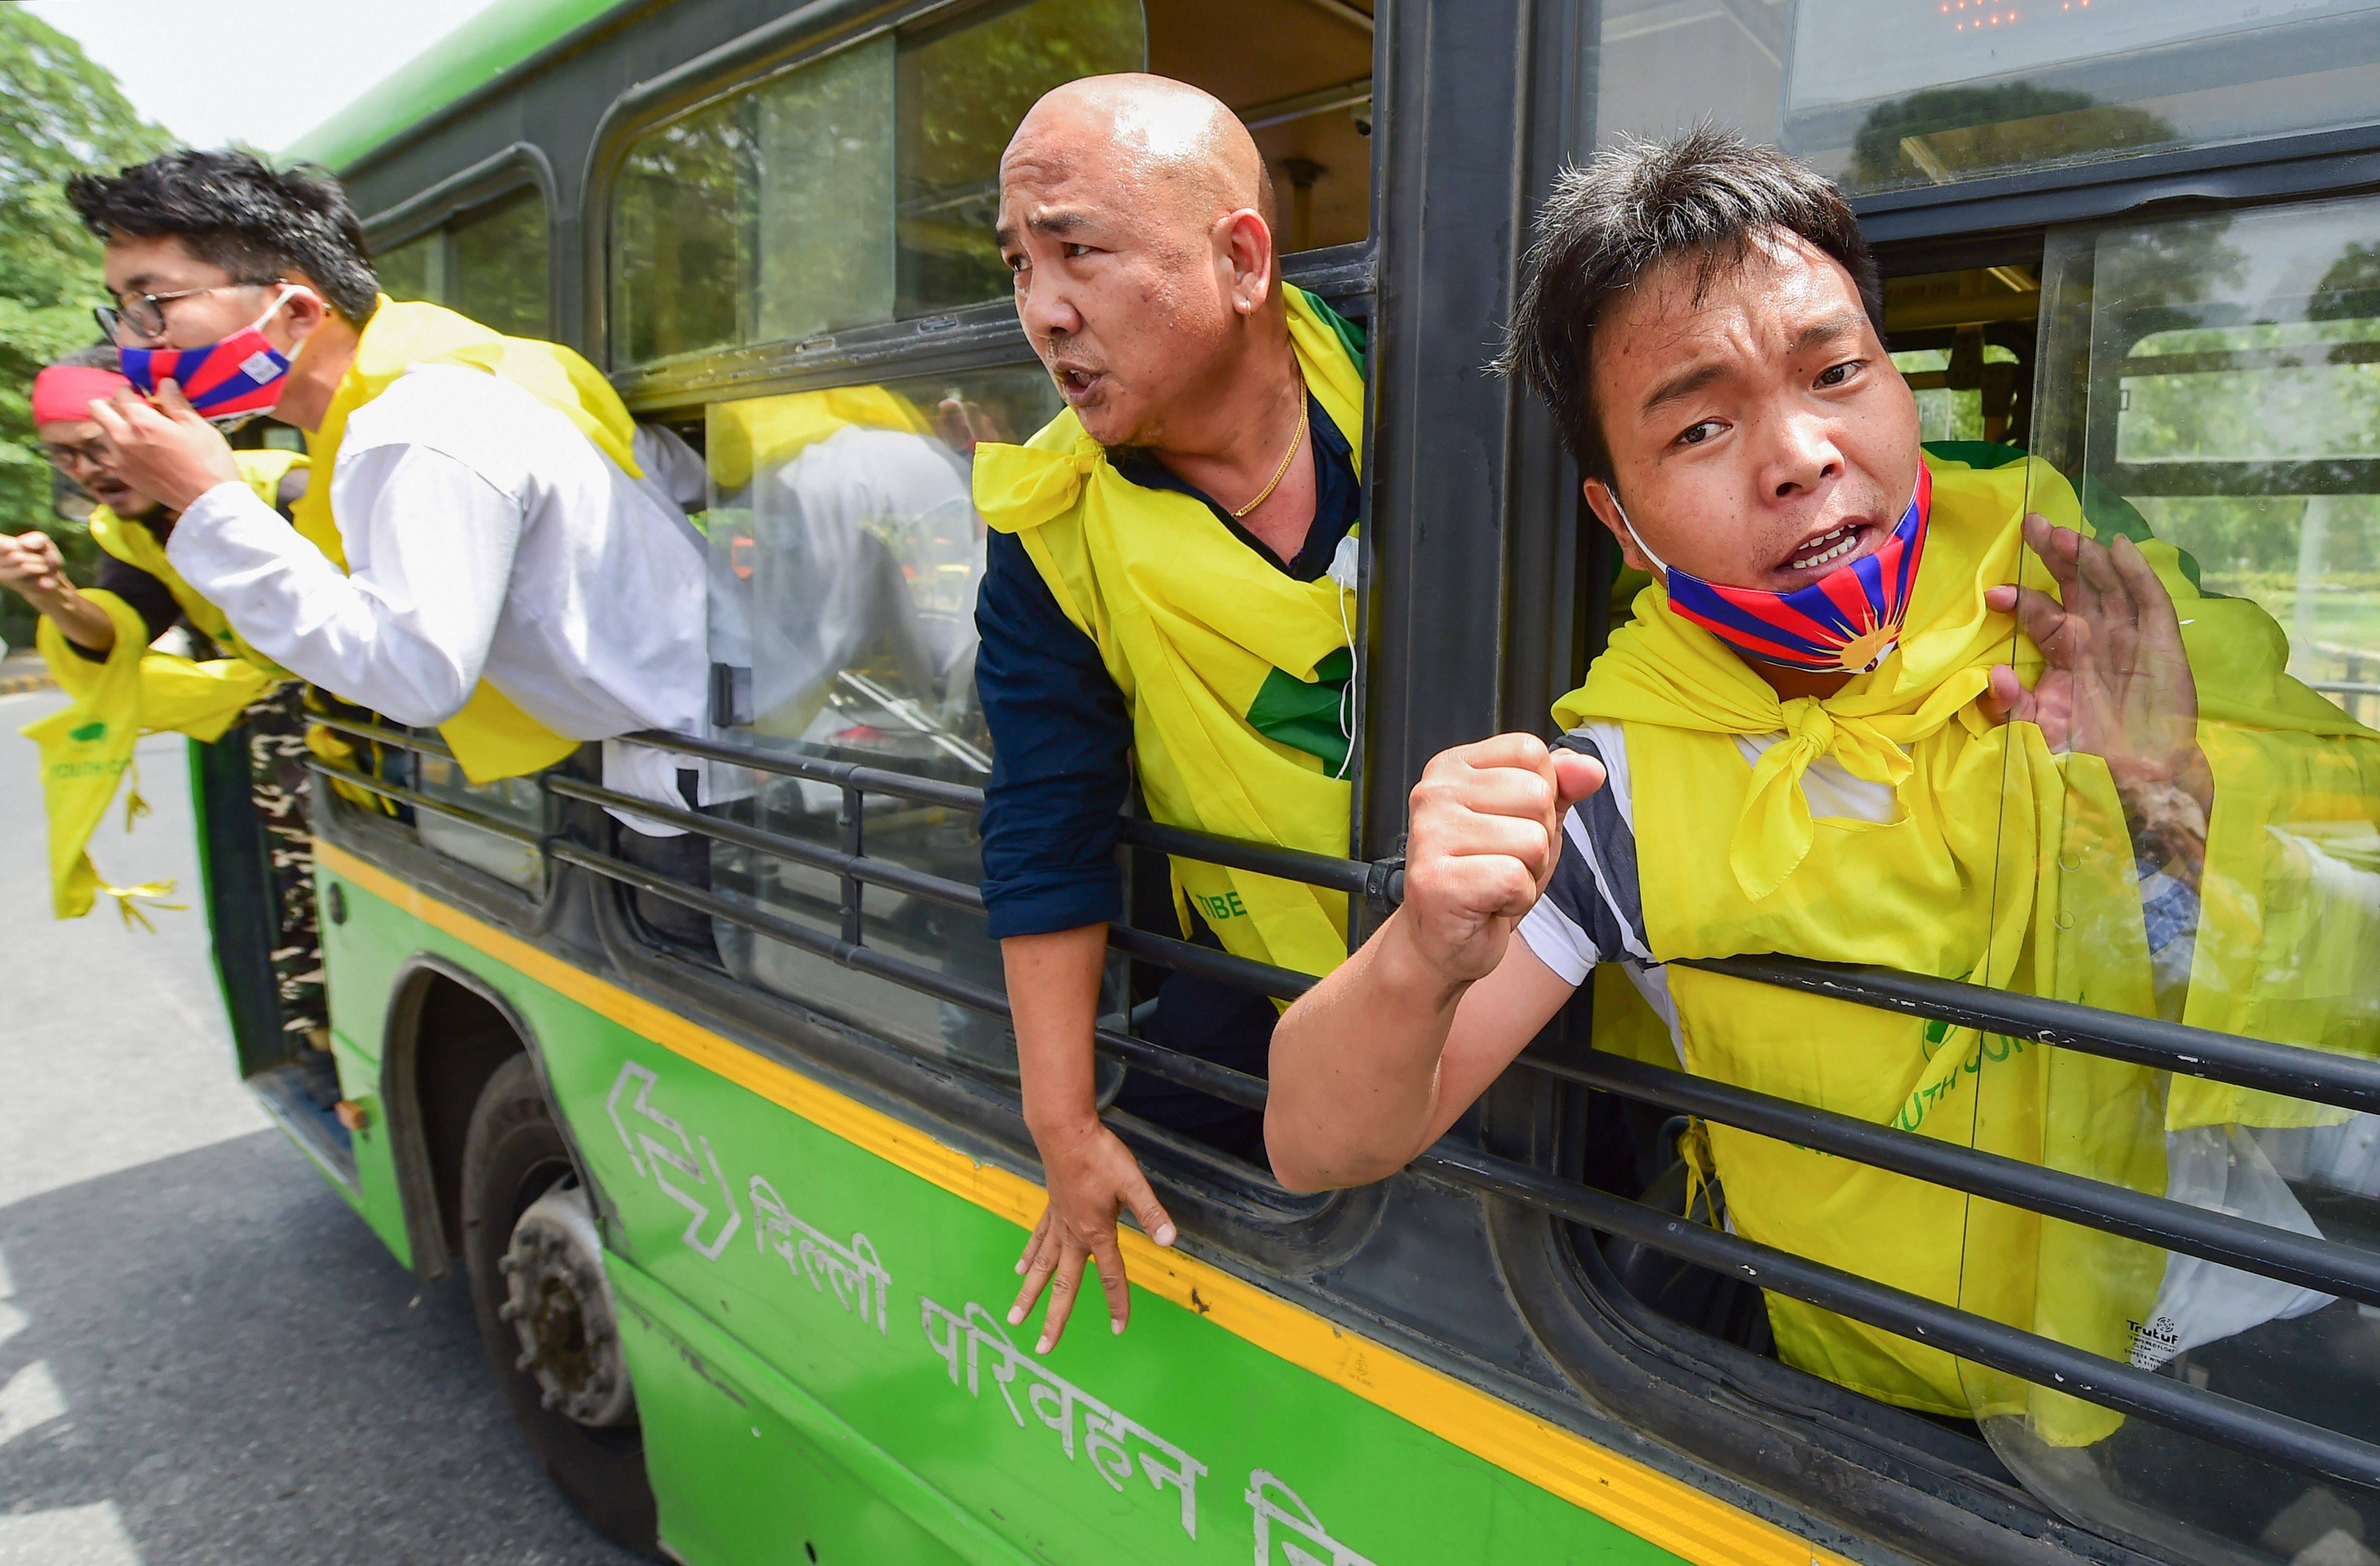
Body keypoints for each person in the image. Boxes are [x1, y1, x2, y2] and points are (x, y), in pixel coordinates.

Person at [1265, 131, 2380, 1437]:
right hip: (1905, 1398)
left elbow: (2331, 998)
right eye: (1699, 425)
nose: (1797, 453)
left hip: (2243, 1314)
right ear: (1621, 525)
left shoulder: (2098, 624)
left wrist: (2170, 810)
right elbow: (1314, 1143)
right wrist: (1421, 949)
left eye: (1836, 372)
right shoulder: (1612, 784)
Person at [63, 150, 713, 941]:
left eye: (152, 304)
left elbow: (416, 677)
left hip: (702, 782)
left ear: (296, 314)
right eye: (121, 311)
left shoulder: (415, 429)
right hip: (672, 758)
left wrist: (210, 501)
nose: (134, 344)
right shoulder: (425, 390)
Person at [972, 75, 1368, 1352]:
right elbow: (1047, 816)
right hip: (1251, 1002)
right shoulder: (1048, 531)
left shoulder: (1419, 373)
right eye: (1019, 265)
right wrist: (1064, 1123)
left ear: (1241, 258)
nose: (1043, 312)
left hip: (1542, 987)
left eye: (1077, 250)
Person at [6, 348, 332, 1041]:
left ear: (156, 423)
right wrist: (51, 593)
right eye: (64, 457)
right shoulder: (127, 533)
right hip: (284, 723)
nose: (87, 472)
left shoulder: (287, 489)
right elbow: (118, 633)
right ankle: (325, 1043)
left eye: (98, 446)